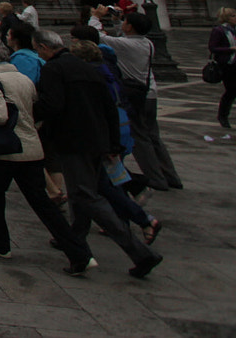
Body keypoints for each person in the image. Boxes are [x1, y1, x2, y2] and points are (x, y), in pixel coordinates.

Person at [32, 30, 162, 278]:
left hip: (74, 143)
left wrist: (27, 114)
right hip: (99, 142)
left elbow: (52, 106)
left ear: (44, 48)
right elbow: (110, 109)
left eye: (38, 49)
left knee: (87, 197)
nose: (39, 53)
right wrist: (113, 145)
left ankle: (142, 254)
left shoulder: (53, 70)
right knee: (83, 195)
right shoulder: (88, 68)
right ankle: (75, 245)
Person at [0, 39, 94, 271]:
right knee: (43, 205)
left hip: (3, 152)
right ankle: (80, 253)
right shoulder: (25, 79)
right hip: (32, 150)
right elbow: (36, 110)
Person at [110, 11, 181, 191]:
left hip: (134, 96)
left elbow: (98, 36)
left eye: (126, 22)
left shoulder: (126, 45)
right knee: (153, 135)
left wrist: (95, 16)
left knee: (139, 138)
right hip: (150, 93)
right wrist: (118, 23)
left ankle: (155, 178)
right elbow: (122, 39)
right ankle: (171, 175)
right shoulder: (147, 43)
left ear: (130, 27)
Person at [210, 7, 236, 129]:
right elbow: (213, 48)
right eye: (233, 16)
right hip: (227, 65)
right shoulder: (219, 31)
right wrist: (230, 49)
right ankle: (223, 116)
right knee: (231, 91)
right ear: (226, 18)